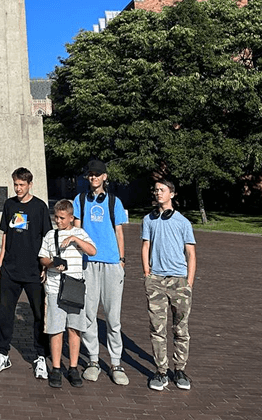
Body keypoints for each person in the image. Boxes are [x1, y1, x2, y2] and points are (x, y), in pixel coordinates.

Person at [0, 167, 52, 379]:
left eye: (22, 185)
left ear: (30, 184)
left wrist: (45, 266)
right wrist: (0, 261)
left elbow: (47, 238)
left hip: (34, 271)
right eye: (15, 184)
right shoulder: (9, 204)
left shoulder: (40, 207)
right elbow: (6, 235)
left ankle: (40, 357)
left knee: (39, 315)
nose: (18, 188)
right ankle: (1, 354)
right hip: (10, 269)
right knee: (4, 313)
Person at [72, 159, 129, 386]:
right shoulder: (80, 200)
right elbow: (77, 231)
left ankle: (116, 363)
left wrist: (121, 260)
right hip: (88, 263)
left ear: (105, 176)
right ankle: (93, 360)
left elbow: (119, 232)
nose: (93, 177)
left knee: (113, 317)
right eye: (90, 174)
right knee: (88, 314)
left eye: (97, 174)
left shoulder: (114, 201)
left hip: (112, 263)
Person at [141, 178, 196, 392]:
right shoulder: (148, 220)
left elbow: (191, 253)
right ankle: (161, 371)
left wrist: (188, 282)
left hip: (179, 281)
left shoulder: (183, 222)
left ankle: (180, 369)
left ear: (172, 194)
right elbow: (145, 246)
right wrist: (147, 274)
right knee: (157, 328)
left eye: (162, 190)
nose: (158, 193)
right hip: (156, 280)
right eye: (155, 190)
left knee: (181, 328)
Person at [39, 200, 96, 389]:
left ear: (71, 218)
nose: (58, 221)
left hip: (74, 287)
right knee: (56, 329)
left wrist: (75, 239)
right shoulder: (50, 235)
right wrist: (52, 264)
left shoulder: (80, 233)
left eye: (62, 218)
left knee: (74, 328)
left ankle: (73, 367)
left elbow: (92, 251)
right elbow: (42, 257)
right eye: (56, 217)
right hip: (55, 287)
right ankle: (56, 368)